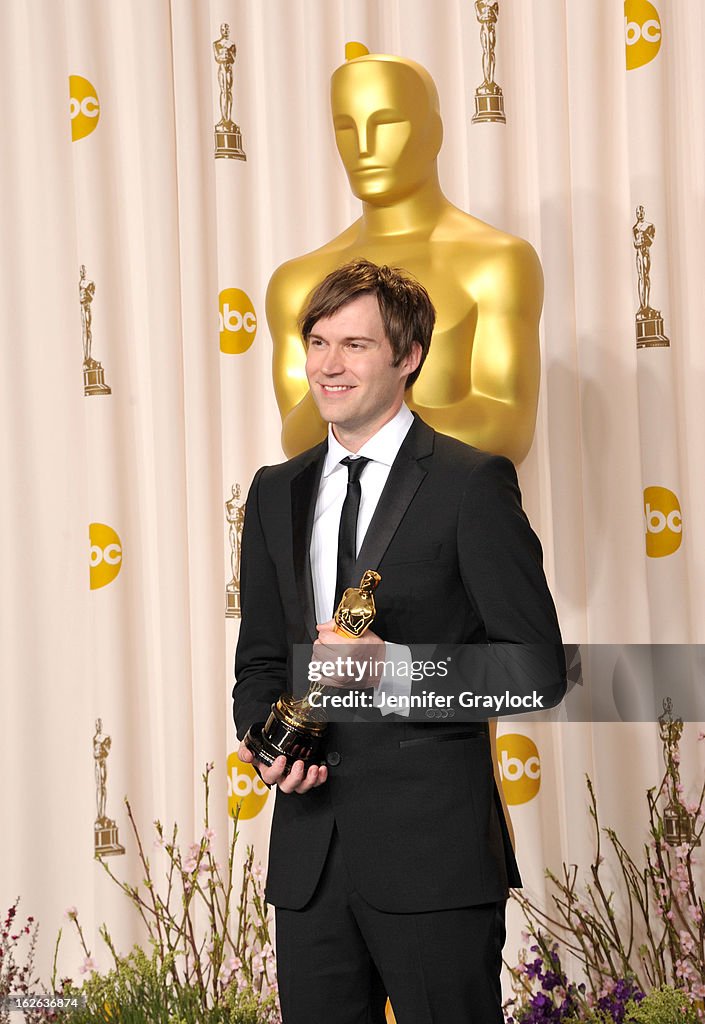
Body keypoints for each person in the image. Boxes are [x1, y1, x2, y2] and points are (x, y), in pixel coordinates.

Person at [233, 259, 565, 1024]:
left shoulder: (469, 482)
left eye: (353, 344)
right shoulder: (274, 490)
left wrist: (395, 668)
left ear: (407, 355)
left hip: (435, 862)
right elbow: (258, 659)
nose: (327, 364)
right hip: (309, 863)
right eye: (316, 342)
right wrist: (263, 735)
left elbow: (536, 671)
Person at [267, 53, 543, 465]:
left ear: (434, 132)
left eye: (386, 124)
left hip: (452, 521)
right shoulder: (297, 281)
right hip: (338, 522)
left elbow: (506, 429)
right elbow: (299, 440)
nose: (363, 147)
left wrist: (361, 420)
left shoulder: (497, 262)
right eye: (346, 127)